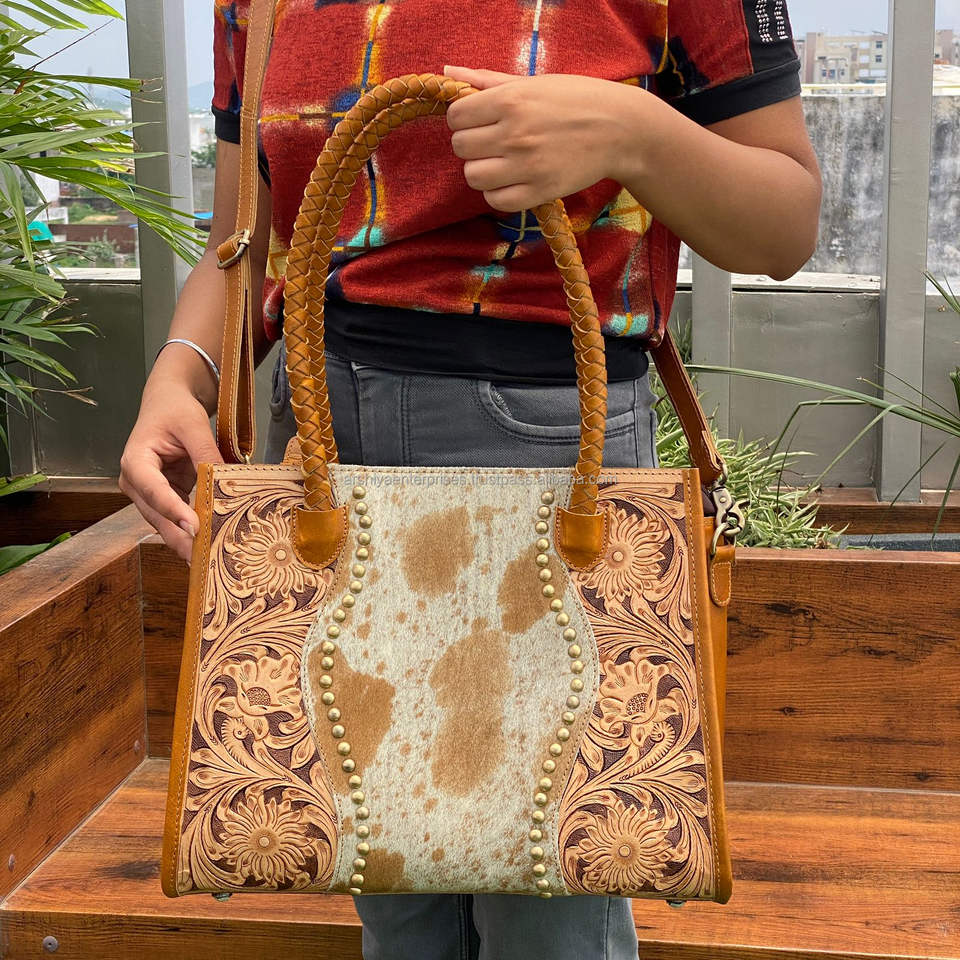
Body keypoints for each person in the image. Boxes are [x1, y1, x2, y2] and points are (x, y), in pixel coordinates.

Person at [120, 1, 821, 956]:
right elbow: (247, 234)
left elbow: (783, 225)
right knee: (382, 873)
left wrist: (633, 132)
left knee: (550, 894)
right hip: (321, 431)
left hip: (547, 442)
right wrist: (182, 374)